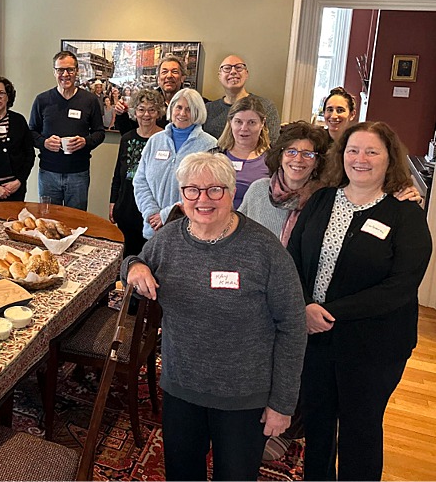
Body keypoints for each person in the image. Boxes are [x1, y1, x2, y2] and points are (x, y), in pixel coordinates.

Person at [124, 152, 307, 480]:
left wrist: (282, 403)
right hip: (182, 387)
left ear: (232, 192)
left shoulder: (264, 250)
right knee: (182, 474)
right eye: (192, 190)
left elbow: (293, 327)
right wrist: (134, 267)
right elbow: (136, 265)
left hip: (242, 397)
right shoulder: (169, 239)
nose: (203, 199)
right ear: (182, 195)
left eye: (215, 190)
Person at [287, 121, 432, 481]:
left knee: (360, 429)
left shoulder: (405, 214)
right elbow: (292, 258)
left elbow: (400, 287)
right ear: (342, 155)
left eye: (371, 151)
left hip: (374, 345)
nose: (360, 159)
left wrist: (327, 312)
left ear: (389, 158)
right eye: (353, 150)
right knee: (318, 423)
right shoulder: (322, 199)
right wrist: (304, 305)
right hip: (316, 338)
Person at [133, 88, 217, 239]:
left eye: (189, 109)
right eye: (179, 107)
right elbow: (140, 181)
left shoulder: (209, 145)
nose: (182, 113)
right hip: (154, 227)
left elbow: (206, 190)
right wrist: (151, 213)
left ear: (198, 112)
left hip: (190, 231)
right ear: (171, 108)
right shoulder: (155, 140)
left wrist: (166, 215)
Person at [29, 51, 105, 211]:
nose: (65, 74)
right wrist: (44, 143)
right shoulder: (42, 100)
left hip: (78, 174)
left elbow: (99, 133)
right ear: (54, 72)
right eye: (60, 70)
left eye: (70, 69)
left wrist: (85, 142)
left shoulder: (89, 100)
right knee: (48, 219)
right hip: (48, 173)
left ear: (77, 71)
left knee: (76, 219)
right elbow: (31, 133)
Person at [109, 89, 166, 256]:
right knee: (127, 255)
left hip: (153, 209)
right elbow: (118, 174)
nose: (146, 114)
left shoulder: (165, 139)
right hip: (126, 207)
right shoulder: (127, 138)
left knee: (151, 256)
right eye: (141, 109)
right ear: (134, 112)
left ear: (158, 113)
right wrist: (113, 202)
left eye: (151, 110)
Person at [203, 55, 281, 144]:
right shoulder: (208, 109)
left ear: (246, 74)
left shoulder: (266, 106)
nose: (233, 71)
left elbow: (273, 144)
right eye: (227, 68)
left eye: (239, 67)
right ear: (219, 76)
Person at [215, 96, 271, 209]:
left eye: (251, 122)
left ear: (262, 123)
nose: (244, 128)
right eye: (238, 122)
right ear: (230, 122)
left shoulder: (273, 159)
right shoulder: (214, 156)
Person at [114, 55, 185, 132]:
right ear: (158, 79)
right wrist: (121, 114)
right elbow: (131, 132)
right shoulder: (148, 99)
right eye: (164, 72)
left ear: (182, 78)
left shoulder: (191, 102)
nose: (169, 76)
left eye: (174, 72)